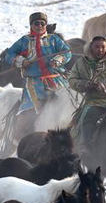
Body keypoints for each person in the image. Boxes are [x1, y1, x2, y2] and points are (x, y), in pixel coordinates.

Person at [5, 12, 72, 140]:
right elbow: (9, 55)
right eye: (36, 23)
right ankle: (21, 137)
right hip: (34, 82)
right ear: (31, 25)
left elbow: (67, 52)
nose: (40, 25)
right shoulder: (24, 41)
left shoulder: (54, 39)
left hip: (56, 78)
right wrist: (21, 61)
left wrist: (58, 59)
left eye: (43, 23)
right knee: (30, 111)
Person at [69, 36, 106, 149]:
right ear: (91, 47)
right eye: (97, 47)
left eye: (103, 47)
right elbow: (72, 80)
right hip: (95, 101)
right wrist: (85, 84)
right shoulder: (81, 63)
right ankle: (87, 147)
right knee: (87, 119)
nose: (100, 50)